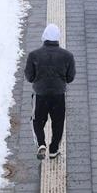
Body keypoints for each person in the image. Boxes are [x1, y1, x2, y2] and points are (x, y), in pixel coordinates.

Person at [25, 23, 75, 160]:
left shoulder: (33, 55)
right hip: (58, 95)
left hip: (40, 95)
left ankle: (41, 143)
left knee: (37, 121)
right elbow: (70, 78)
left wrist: (38, 79)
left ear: (44, 37)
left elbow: (29, 77)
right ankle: (54, 149)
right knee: (58, 122)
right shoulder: (68, 56)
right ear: (58, 38)